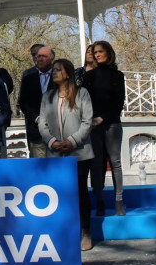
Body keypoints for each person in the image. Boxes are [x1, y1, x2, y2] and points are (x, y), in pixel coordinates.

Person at [39, 58, 94, 251]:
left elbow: (88, 121)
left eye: (58, 70)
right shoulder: (47, 96)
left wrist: (72, 141)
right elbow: (42, 123)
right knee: (58, 195)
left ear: (68, 73)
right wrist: (53, 142)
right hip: (54, 154)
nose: (53, 73)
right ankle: (63, 235)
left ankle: (85, 233)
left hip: (79, 153)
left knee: (79, 193)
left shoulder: (82, 94)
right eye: (53, 70)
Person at [82, 40, 126, 216]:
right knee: (97, 164)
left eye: (100, 51)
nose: (97, 54)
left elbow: (119, 101)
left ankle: (118, 201)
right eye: (95, 52)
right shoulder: (89, 76)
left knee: (115, 162)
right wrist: (92, 119)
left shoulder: (117, 75)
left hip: (112, 123)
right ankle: (99, 200)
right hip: (94, 125)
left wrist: (103, 117)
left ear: (109, 53)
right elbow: (84, 101)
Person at [19, 46, 55, 158]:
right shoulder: (28, 76)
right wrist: (36, 118)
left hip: (57, 132)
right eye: (38, 56)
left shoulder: (58, 75)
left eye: (44, 56)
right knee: (39, 170)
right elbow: (23, 102)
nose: (39, 59)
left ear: (52, 60)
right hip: (36, 131)